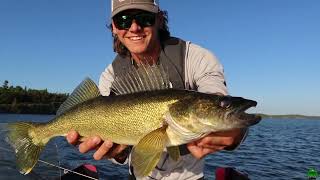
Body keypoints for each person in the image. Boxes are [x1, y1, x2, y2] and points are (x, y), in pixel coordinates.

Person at [66, 0, 248, 179]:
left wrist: (237, 133)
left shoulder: (196, 58)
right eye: (123, 20)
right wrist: (118, 154)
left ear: (160, 20)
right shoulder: (110, 76)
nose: (134, 27)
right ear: (114, 26)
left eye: (144, 18)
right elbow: (121, 151)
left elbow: (216, 97)